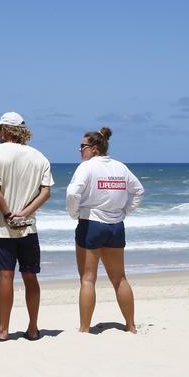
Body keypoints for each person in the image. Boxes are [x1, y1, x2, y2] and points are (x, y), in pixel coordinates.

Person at [0, 112, 54, 341]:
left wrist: (8, 214)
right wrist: (25, 213)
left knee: (6, 276)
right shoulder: (39, 157)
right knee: (30, 276)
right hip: (28, 227)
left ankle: (2, 329)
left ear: (5, 131)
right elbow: (46, 192)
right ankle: (33, 328)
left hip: (3, 227)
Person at [66, 127, 144, 334]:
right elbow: (138, 191)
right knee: (119, 278)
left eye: (82, 146)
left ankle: (84, 328)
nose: (79, 150)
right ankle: (131, 326)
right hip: (115, 227)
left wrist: (74, 213)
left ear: (94, 148)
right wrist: (126, 211)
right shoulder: (120, 167)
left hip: (91, 224)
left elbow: (73, 192)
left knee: (87, 279)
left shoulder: (87, 167)